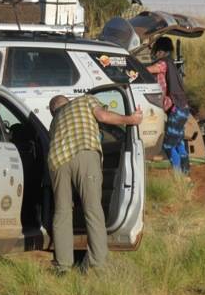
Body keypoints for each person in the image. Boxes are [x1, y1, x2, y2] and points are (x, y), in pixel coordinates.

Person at [47, 94, 142, 273]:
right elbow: (102, 116)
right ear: (68, 101)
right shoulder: (84, 100)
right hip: (84, 152)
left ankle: (62, 266)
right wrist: (131, 120)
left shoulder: (54, 122)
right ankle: (96, 264)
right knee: (92, 209)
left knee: (62, 212)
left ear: (53, 111)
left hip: (56, 161)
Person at [147, 37, 191, 173]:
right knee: (178, 143)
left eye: (156, 51)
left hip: (176, 110)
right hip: (183, 108)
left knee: (168, 145)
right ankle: (185, 174)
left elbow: (151, 69)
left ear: (160, 51)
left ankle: (178, 176)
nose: (155, 54)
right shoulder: (171, 62)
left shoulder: (163, 63)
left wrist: (134, 67)